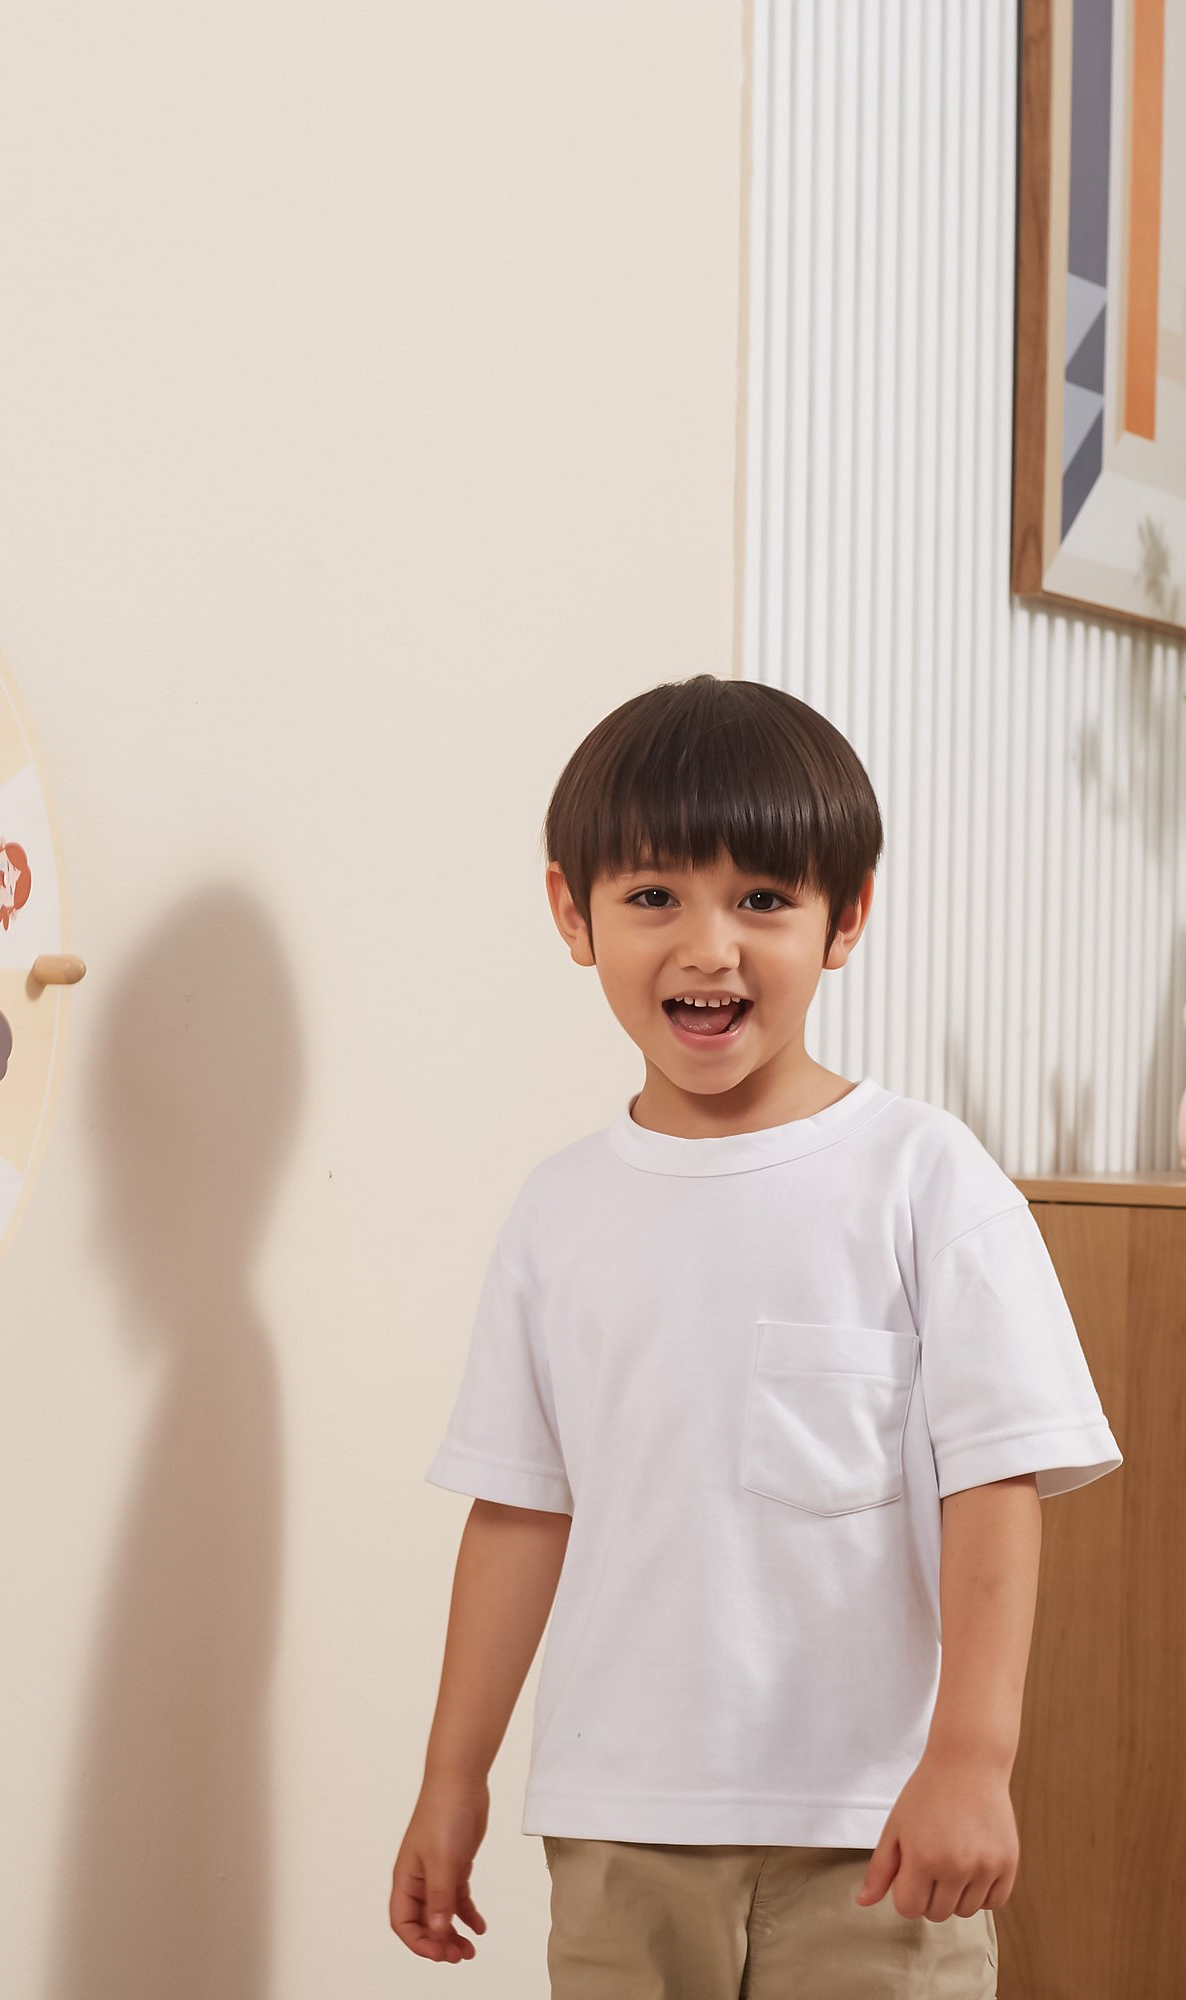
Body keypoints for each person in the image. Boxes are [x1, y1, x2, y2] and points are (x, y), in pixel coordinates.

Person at [390, 674, 1122, 1997]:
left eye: (764, 899)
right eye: (653, 896)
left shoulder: (925, 1178)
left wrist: (972, 1758)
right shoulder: (559, 1210)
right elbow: (518, 1512)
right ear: (572, 912)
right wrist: (454, 1780)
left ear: (849, 916)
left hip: (875, 1832)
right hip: (618, 1825)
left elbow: (994, 1484)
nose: (708, 948)